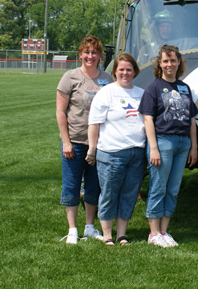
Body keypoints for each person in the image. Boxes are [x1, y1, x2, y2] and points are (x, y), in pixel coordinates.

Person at [139, 44, 198, 247]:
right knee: (158, 187)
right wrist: (153, 148)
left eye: (173, 60)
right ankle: (153, 233)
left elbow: (191, 119)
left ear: (179, 62)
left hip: (182, 143)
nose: (169, 64)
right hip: (162, 141)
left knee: (172, 189)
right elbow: (148, 119)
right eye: (165, 61)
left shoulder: (184, 88)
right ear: (160, 63)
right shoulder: (153, 87)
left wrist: (194, 146)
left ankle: (164, 231)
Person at [56, 36, 112, 244]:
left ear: (100, 56)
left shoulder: (107, 79)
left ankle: (89, 227)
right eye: (87, 52)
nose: (90, 56)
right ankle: (72, 229)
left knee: (93, 186)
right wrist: (66, 142)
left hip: (99, 143)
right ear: (80, 54)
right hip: (75, 141)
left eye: (94, 52)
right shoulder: (70, 77)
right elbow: (60, 112)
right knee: (71, 185)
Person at [88, 53, 146, 246]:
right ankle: (107, 235)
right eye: (121, 69)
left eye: (129, 69)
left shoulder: (141, 93)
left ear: (134, 72)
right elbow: (94, 123)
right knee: (109, 194)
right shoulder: (106, 93)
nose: (125, 73)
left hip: (136, 153)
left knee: (129, 195)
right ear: (114, 72)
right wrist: (92, 149)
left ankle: (121, 235)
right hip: (112, 153)